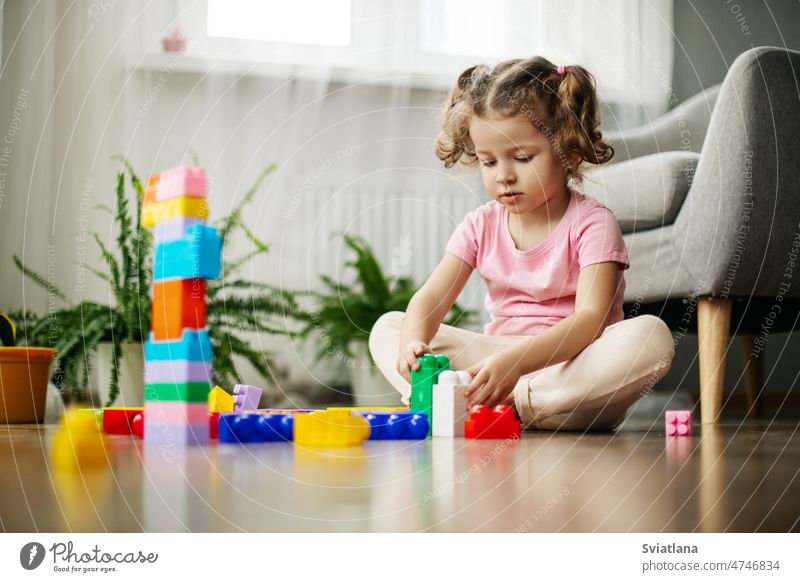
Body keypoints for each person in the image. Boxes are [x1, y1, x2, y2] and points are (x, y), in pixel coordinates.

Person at [368, 57, 675, 430]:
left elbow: (590, 321)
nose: (504, 176)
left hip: (570, 375)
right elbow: (431, 299)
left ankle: (505, 403)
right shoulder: (479, 225)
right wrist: (411, 345)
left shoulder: (593, 224)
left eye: (522, 158)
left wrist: (516, 366)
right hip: (496, 367)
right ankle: (463, 400)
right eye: (488, 162)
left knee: (651, 339)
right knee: (389, 327)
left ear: (569, 150)